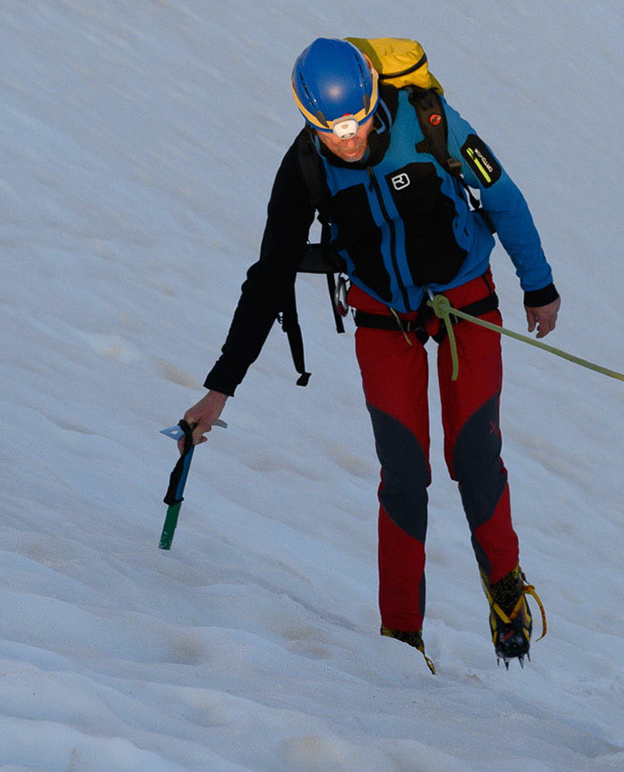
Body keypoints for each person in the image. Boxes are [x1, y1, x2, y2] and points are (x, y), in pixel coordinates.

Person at [183, 38, 562, 668]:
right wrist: (220, 386)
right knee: (404, 476)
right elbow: (269, 276)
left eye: (359, 120)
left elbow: (502, 196)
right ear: (309, 119)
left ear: (374, 98)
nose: (350, 137)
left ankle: (504, 591)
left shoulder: (430, 118)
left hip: (465, 299)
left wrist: (539, 284)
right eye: (334, 129)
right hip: (384, 319)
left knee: (474, 453)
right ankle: (400, 640)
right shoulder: (304, 166)